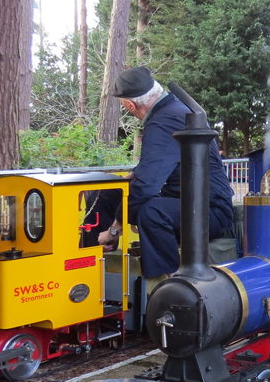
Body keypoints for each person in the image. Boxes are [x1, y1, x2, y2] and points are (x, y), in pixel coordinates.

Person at [94, 67, 235, 278]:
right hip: (182, 201)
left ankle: (167, 285)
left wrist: (115, 229)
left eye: (124, 106)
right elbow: (151, 168)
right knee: (107, 192)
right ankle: (93, 267)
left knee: (151, 212)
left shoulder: (164, 120)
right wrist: (124, 181)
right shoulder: (172, 110)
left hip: (209, 211)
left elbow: (147, 185)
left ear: (130, 105)